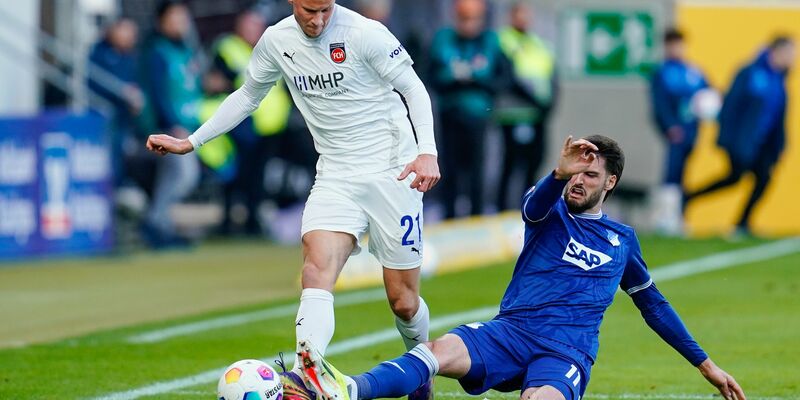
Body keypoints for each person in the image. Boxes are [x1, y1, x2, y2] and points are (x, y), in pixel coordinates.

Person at [294, 135, 746, 400]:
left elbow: (654, 306)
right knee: (437, 350)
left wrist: (705, 365)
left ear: (611, 183)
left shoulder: (623, 242)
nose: (579, 180)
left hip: (565, 353)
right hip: (510, 332)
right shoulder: (551, 209)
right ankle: (348, 390)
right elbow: (530, 207)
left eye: (591, 174)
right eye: (576, 171)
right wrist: (556, 173)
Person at [145, 0, 440, 399]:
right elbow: (248, 96)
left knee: (403, 302)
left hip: (393, 172)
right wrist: (192, 141)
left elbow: (413, 89)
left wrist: (428, 152)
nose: (317, 20)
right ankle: (309, 371)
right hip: (336, 174)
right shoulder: (275, 40)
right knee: (315, 270)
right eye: (308, 10)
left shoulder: (365, 33)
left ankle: (421, 369)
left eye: (324, 9)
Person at [685, 36, 794, 235]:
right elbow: (731, 106)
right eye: (789, 53)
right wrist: (726, 138)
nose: (792, 59)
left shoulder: (779, 79)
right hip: (742, 142)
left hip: (761, 144)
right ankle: (690, 198)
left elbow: (778, 118)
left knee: (759, 178)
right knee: (737, 177)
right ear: (776, 51)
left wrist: (779, 146)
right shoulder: (750, 73)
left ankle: (741, 222)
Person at [202, 10, 293, 236]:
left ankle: (252, 221)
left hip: (271, 125)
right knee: (237, 174)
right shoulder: (227, 48)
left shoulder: (272, 45)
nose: (252, 30)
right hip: (242, 124)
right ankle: (230, 222)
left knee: (258, 177)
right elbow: (217, 81)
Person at [429, 0, 510, 218]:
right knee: (450, 168)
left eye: (473, 19)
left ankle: (476, 217)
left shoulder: (491, 41)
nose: (468, 25)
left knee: (476, 169)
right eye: (464, 19)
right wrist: (457, 80)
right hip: (451, 112)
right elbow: (432, 73)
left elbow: (502, 77)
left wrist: (475, 81)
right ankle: (450, 217)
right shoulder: (443, 39)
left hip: (478, 114)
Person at [139, 0, 202, 247]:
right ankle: (155, 222)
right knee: (185, 175)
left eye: (182, 18)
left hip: (189, 127)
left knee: (176, 177)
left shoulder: (186, 50)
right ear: (161, 21)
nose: (180, 23)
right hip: (168, 128)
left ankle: (159, 225)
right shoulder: (156, 51)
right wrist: (170, 124)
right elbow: (157, 93)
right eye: (174, 18)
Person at [495, 2, 557, 211]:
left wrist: (548, 104)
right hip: (514, 113)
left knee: (534, 165)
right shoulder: (504, 41)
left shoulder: (538, 43)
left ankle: (528, 209)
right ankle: (503, 211)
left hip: (538, 115)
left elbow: (551, 75)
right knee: (510, 165)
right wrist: (536, 101)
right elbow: (509, 77)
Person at [649, 28, 710, 235]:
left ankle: (678, 216)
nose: (677, 49)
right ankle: (665, 218)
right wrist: (668, 126)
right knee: (671, 173)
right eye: (672, 45)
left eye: (680, 44)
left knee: (683, 175)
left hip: (692, 131)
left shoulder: (693, 71)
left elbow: (707, 95)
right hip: (675, 133)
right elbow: (659, 104)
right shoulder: (662, 73)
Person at [87, 18, 145, 187]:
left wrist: (135, 98)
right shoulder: (99, 52)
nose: (130, 37)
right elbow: (95, 82)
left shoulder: (131, 58)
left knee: (122, 158)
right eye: (125, 31)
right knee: (109, 160)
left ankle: (119, 192)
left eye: (133, 33)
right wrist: (124, 93)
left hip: (125, 118)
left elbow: (136, 84)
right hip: (102, 117)